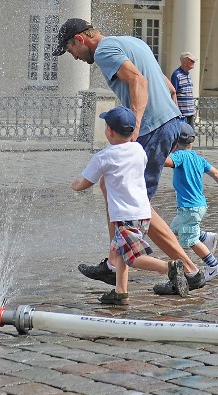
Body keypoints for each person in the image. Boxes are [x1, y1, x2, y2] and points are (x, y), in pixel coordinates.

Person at [55, 18, 212, 295]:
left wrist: (137, 125)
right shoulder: (132, 42)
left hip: (152, 129)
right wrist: (170, 118)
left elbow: (139, 81)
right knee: (112, 185)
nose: (75, 58)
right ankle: (115, 262)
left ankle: (189, 271)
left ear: (80, 40)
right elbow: (167, 86)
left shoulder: (104, 51)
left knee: (137, 206)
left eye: (71, 51)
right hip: (165, 125)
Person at [71, 106, 189, 304]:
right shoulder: (138, 150)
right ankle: (120, 292)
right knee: (119, 251)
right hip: (143, 213)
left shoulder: (103, 156)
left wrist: (74, 185)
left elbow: (85, 183)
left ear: (109, 131)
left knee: (132, 258)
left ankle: (170, 267)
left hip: (124, 215)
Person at [164, 123, 218, 282]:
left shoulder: (179, 156)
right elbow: (214, 172)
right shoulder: (198, 158)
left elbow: (166, 162)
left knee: (190, 240)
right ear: (191, 143)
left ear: (174, 144)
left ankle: (214, 266)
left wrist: (156, 152)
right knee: (172, 232)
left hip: (190, 208)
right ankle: (205, 237)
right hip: (197, 206)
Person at [171, 52, 197, 126]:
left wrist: (193, 108)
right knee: (183, 136)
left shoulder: (188, 75)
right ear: (184, 61)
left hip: (190, 113)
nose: (194, 62)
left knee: (191, 135)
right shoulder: (177, 75)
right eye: (191, 61)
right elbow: (173, 93)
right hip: (182, 114)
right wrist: (176, 111)